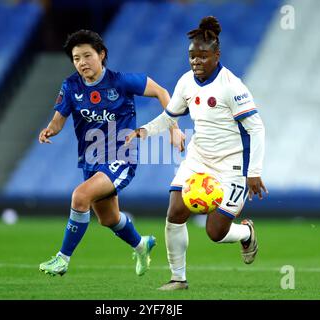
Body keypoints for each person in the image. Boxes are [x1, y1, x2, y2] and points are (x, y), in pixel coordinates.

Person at [126, 16, 268, 290]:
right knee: (175, 212)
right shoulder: (186, 83)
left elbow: (257, 128)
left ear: (217, 55)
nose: (196, 62)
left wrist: (255, 172)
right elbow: (169, 117)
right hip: (198, 158)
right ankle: (178, 278)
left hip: (232, 166)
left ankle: (246, 232)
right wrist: (142, 131)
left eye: (203, 56)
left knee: (215, 232)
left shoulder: (232, 86)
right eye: (192, 56)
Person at [38, 30, 184, 277]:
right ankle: (142, 244)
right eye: (76, 58)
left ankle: (62, 259)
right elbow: (58, 120)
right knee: (108, 219)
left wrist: (174, 128)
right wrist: (49, 130)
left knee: (80, 196)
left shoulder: (121, 82)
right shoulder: (71, 85)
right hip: (91, 160)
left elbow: (162, 92)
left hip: (121, 157)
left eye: (87, 56)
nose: (82, 62)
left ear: (101, 54)